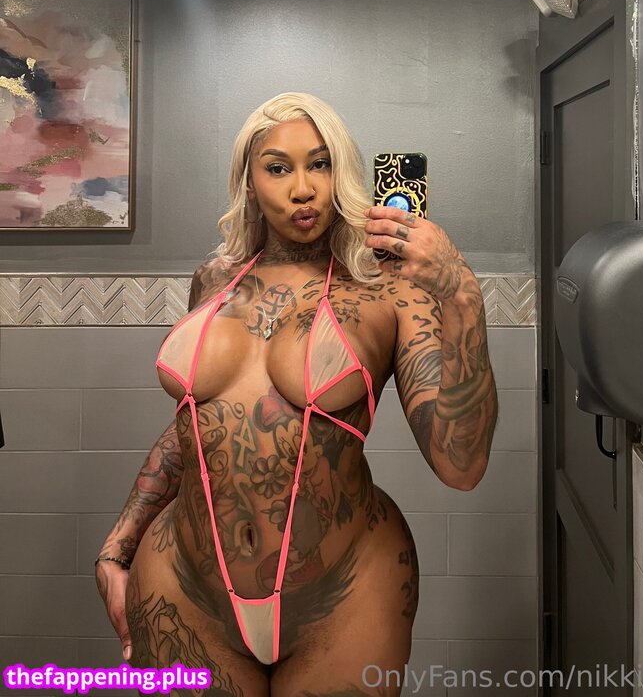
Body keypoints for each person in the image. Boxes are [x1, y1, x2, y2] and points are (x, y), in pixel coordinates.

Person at [95, 92, 498, 697]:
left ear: (344, 173)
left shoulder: (390, 289)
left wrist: (462, 293)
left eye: (321, 163)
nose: (303, 189)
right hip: (184, 586)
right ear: (249, 181)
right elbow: (197, 425)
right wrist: (120, 542)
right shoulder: (214, 280)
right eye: (278, 167)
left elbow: (460, 464)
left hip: (345, 593)